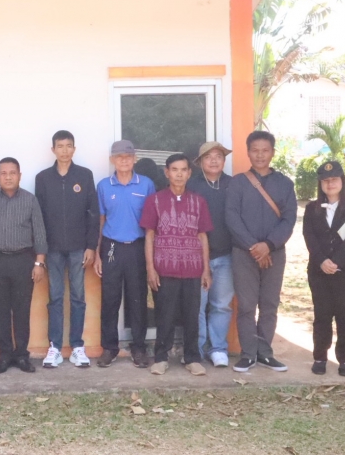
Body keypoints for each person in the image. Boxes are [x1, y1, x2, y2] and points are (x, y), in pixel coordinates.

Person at [226, 130, 297, 373]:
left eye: (265, 150)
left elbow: (289, 219)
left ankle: (265, 353)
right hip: (243, 253)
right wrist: (253, 247)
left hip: (274, 254)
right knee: (246, 305)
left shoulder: (285, 184)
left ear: (273, 152)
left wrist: (268, 245)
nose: (260, 155)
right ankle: (248, 354)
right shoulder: (238, 183)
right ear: (248, 152)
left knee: (269, 305)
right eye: (255, 150)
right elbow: (232, 217)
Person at [140, 154, 212, 376]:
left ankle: (192, 358)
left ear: (189, 173)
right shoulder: (155, 200)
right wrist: (150, 268)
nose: (179, 174)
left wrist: (205, 269)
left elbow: (202, 236)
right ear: (167, 173)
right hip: (164, 269)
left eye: (183, 170)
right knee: (165, 315)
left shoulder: (198, 201)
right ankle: (161, 358)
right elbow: (149, 236)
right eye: (174, 169)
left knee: (192, 316)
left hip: (192, 269)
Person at [35, 130, 99, 369]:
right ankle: (54, 347)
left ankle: (77, 347)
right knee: (55, 297)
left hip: (78, 248)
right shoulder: (43, 178)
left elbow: (93, 213)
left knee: (78, 297)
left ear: (74, 149)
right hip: (52, 249)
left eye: (68, 146)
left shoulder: (84, 175)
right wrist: (41, 250)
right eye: (60, 146)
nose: (64, 150)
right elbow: (39, 217)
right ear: (53, 149)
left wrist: (90, 246)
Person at [94, 140, 155, 369]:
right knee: (110, 299)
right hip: (112, 247)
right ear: (113, 160)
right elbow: (101, 220)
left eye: (128, 156)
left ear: (134, 159)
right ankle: (109, 348)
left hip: (137, 246)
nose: (124, 161)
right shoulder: (104, 186)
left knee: (137, 299)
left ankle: (138, 347)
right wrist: (98, 253)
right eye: (119, 157)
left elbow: (152, 223)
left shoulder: (146, 184)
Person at [303, 161, 345, 377]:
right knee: (321, 315)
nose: (330, 184)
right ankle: (320, 356)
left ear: (342, 181)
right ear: (320, 184)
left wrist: (337, 261)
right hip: (319, 271)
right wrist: (322, 261)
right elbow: (309, 237)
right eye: (325, 181)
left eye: (334, 180)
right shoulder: (312, 208)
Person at [0, 157, 48, 374]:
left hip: (23, 261)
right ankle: (4, 355)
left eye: (12, 173)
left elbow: (39, 232)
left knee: (22, 310)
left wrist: (39, 262)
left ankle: (21, 355)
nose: (8, 177)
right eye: (3, 173)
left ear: (20, 175)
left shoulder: (30, 200)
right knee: (0, 311)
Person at [188, 142, 234, 368]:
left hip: (227, 255)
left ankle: (218, 349)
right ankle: (196, 350)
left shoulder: (234, 185)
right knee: (197, 306)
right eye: (208, 157)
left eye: (218, 156)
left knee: (221, 305)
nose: (214, 160)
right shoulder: (191, 185)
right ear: (200, 162)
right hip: (196, 257)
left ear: (224, 160)